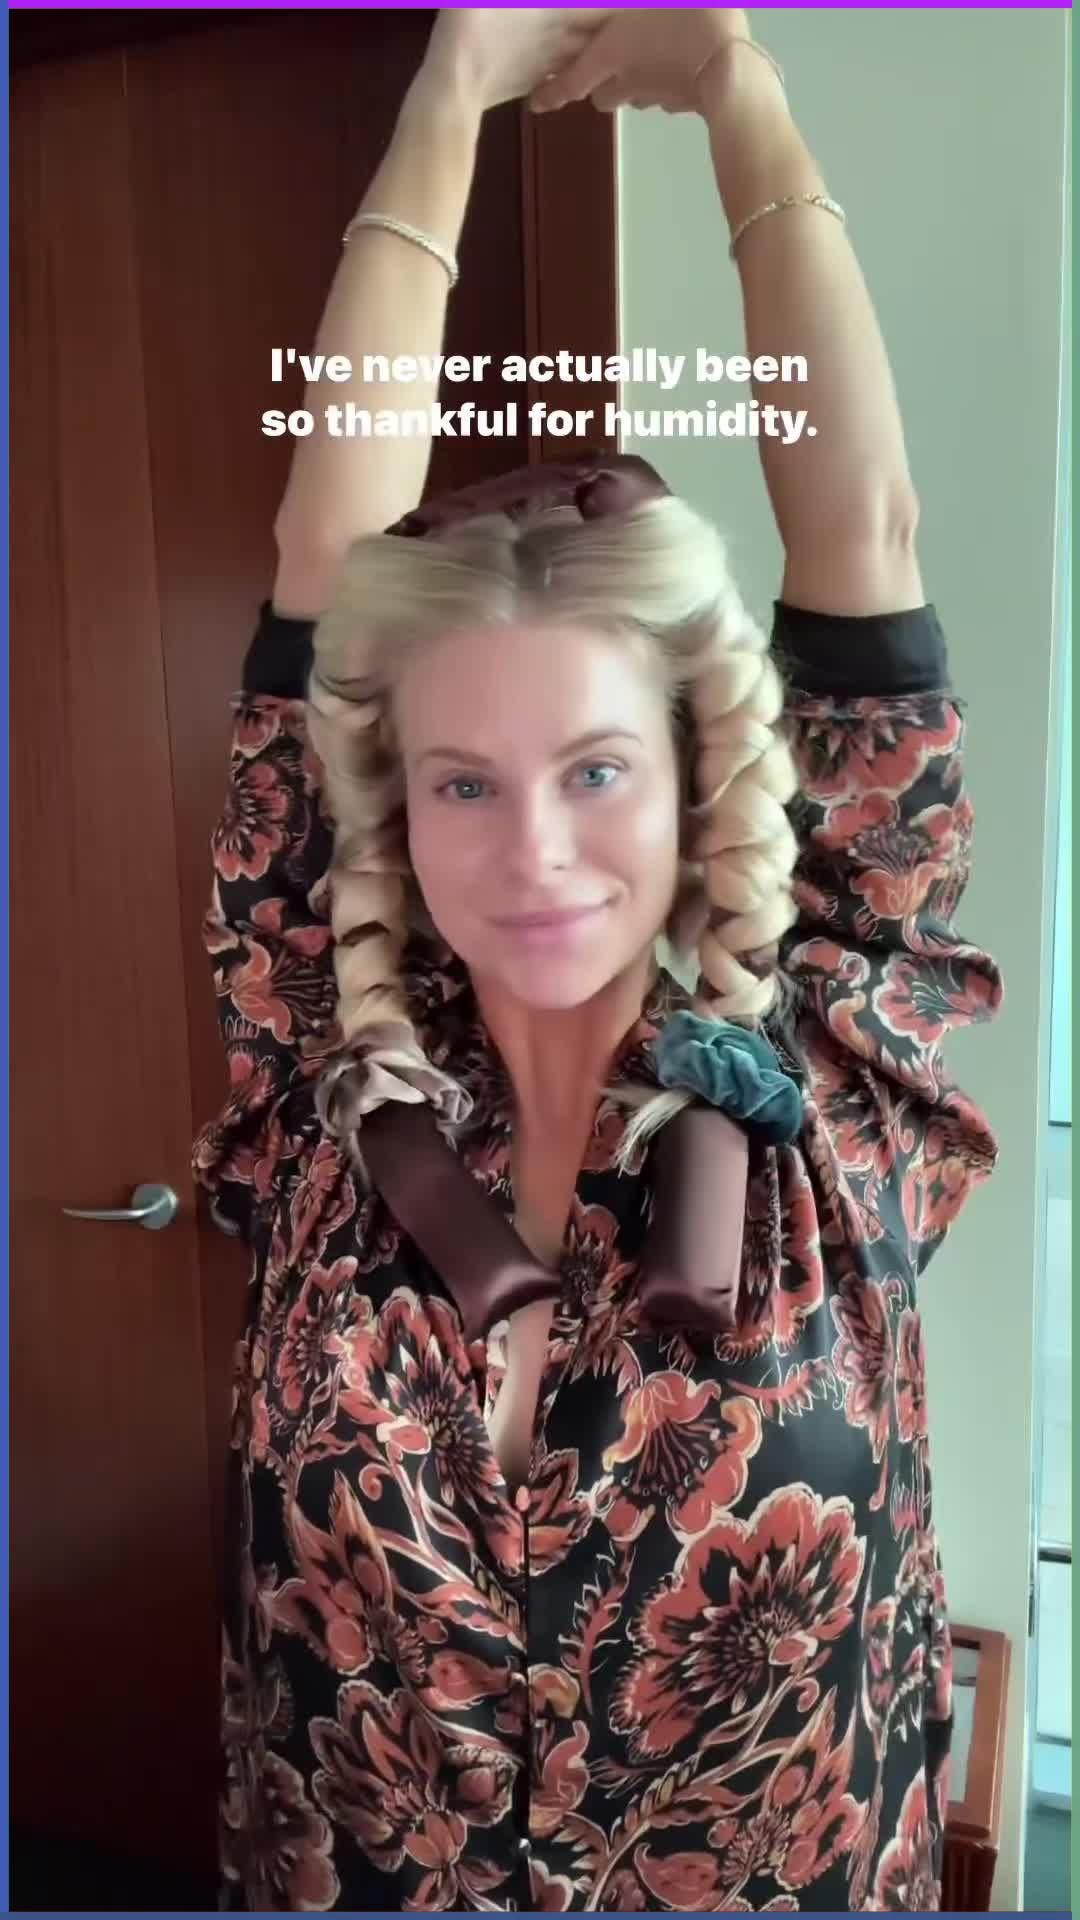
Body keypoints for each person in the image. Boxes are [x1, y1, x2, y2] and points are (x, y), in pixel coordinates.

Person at [192, 10, 1002, 1911]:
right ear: (393, 806)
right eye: (462, 782)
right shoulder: (324, 1066)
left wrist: (738, 93)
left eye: (598, 770)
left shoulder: (841, 1061)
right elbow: (323, 536)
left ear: (701, 773)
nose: (533, 853)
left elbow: (866, 526)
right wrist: (449, 88)